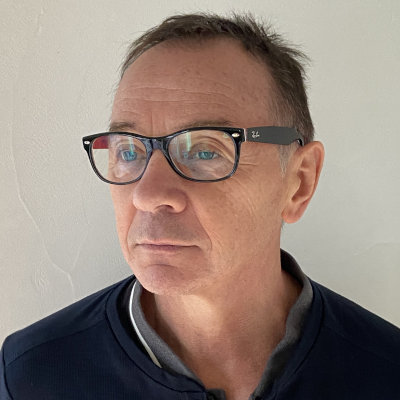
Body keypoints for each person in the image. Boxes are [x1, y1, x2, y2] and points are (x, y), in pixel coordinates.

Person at [1, 13, 399, 400]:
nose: (146, 194)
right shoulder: (35, 375)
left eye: (205, 150)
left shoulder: (387, 373)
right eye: (129, 150)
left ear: (299, 182)